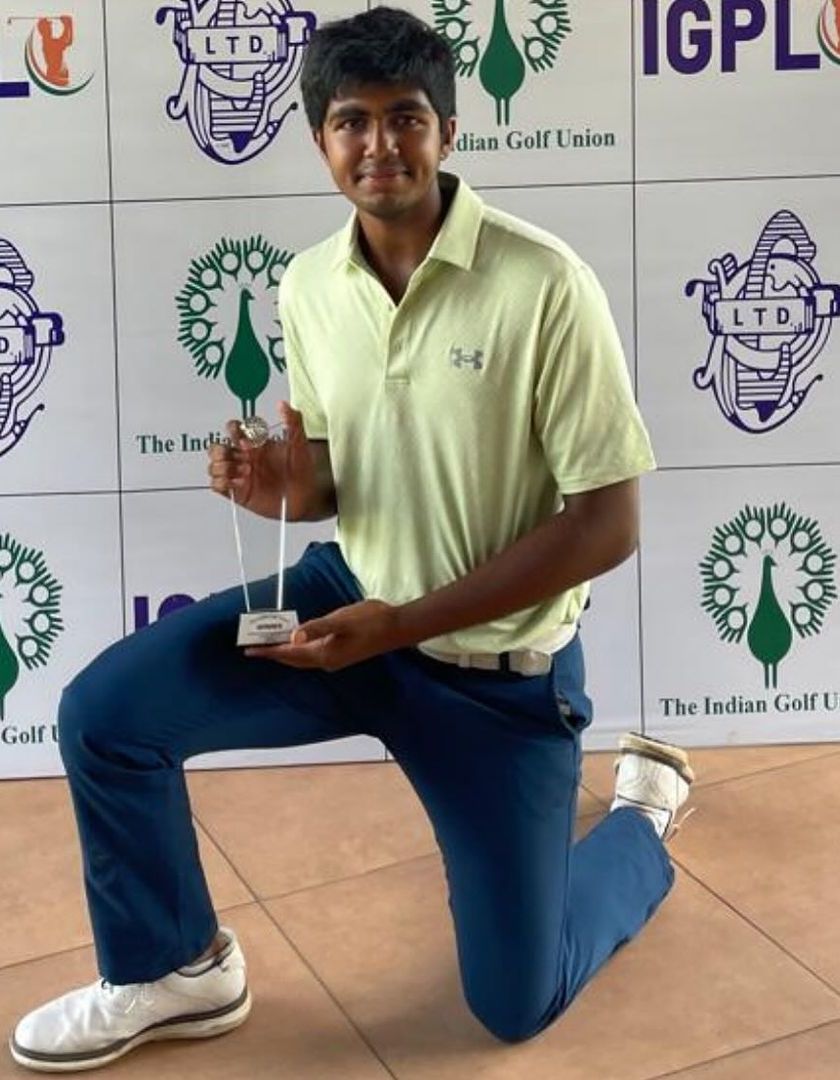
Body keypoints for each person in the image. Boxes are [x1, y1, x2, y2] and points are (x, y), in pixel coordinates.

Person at [9, 7, 694, 1072]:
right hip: (350, 609)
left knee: (516, 1005)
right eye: (351, 121)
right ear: (320, 140)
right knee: (106, 716)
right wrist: (282, 484)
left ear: (449, 130)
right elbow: (332, 478)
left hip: (494, 677)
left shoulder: (544, 282)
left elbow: (607, 525)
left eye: (405, 117)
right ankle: (175, 969)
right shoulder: (309, 286)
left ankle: (642, 825)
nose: (380, 144)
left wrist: (403, 625)